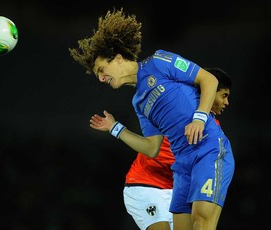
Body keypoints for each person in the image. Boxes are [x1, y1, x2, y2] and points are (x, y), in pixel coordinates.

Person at [69, 8, 235, 230]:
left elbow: (209, 80)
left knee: (202, 220)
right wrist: (115, 128)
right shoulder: (138, 102)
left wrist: (199, 118)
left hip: (208, 148)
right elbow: (152, 148)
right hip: (182, 164)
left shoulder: (159, 61)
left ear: (117, 58)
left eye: (101, 69)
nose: (100, 78)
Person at [123, 67, 232, 230]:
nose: (226, 103)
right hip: (146, 183)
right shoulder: (176, 112)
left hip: (176, 190)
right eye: (224, 95)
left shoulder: (211, 127)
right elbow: (156, 149)